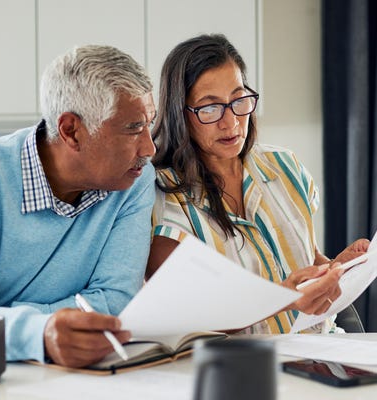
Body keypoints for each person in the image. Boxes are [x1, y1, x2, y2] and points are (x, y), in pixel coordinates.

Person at [0, 45, 157, 367]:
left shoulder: (133, 180)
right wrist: (38, 333)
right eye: (133, 129)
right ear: (71, 131)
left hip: (74, 380)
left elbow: (114, 301)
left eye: (149, 124)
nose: (150, 147)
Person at [147, 34, 369, 334]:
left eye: (239, 100)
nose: (231, 122)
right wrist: (284, 299)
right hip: (243, 366)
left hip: (323, 351)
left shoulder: (285, 166)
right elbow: (189, 313)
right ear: (180, 113)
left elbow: (307, 256)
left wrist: (337, 269)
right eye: (210, 109)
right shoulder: (160, 198)